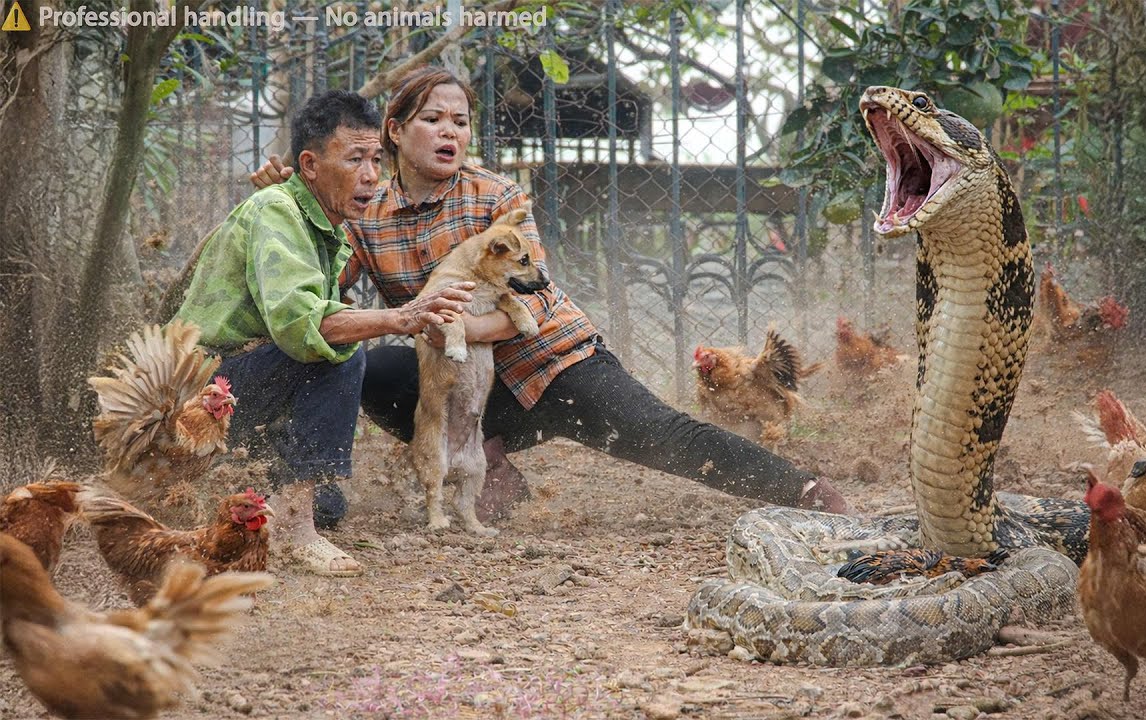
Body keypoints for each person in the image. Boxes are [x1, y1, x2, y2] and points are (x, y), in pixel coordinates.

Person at [249, 68, 851, 527]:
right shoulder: (367, 213)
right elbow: (324, 298)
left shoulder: (495, 196)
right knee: (372, 369)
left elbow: (529, 311)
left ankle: (804, 491)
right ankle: (486, 455)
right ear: (397, 131)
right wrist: (296, 197)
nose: (450, 133)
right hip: (472, 383)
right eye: (434, 120)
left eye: (460, 122)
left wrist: (440, 328)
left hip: (556, 366)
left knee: (664, 436)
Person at [176, 90, 474, 576]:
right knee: (338, 346)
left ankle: (270, 504)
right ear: (310, 165)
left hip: (236, 387)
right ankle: (295, 531)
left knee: (330, 505)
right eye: (354, 158)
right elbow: (304, 327)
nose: (371, 174)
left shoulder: (326, 223)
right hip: (200, 396)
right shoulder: (278, 211)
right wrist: (404, 316)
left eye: (376, 158)